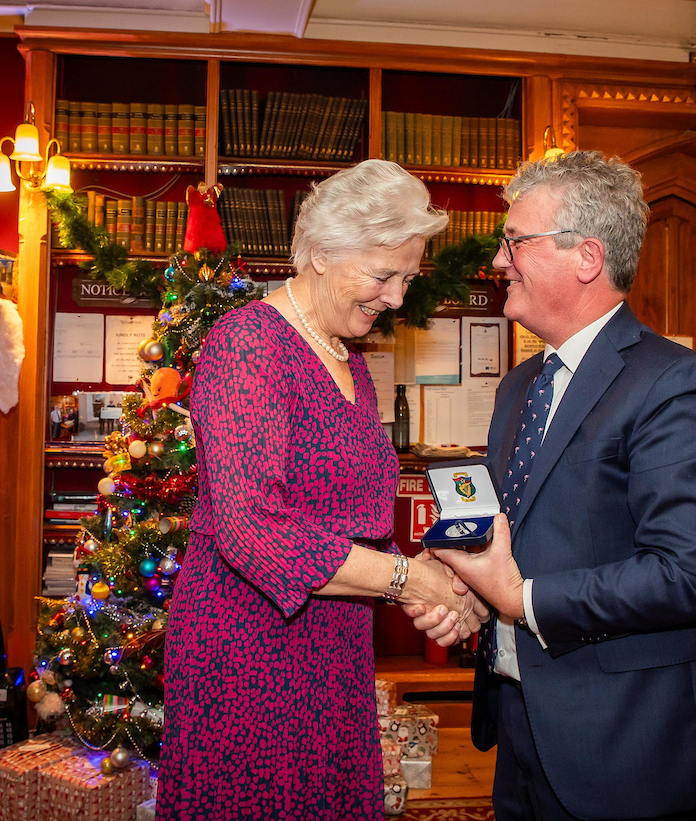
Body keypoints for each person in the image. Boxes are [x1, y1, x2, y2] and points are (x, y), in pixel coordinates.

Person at [421, 151, 696, 820]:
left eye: (515, 241)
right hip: (520, 720)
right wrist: (466, 591)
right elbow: (517, 530)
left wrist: (518, 596)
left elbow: (684, 576)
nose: (497, 261)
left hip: (620, 740)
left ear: (586, 257)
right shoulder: (521, 385)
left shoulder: (676, 385)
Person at [158, 160, 485, 821]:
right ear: (318, 252)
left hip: (334, 648)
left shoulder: (352, 363)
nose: (396, 298)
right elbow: (256, 531)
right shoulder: (247, 343)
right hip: (248, 652)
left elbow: (352, 520)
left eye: (407, 279)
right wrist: (406, 580)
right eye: (383, 275)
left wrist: (429, 576)